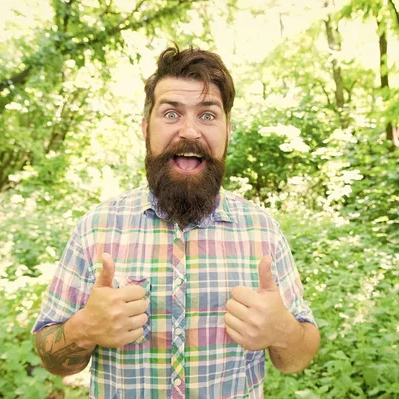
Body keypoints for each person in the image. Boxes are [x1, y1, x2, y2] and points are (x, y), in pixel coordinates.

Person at [32, 45, 320, 399]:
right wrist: (84, 328)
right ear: (145, 129)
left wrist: (284, 331)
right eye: (171, 114)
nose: (189, 131)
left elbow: (298, 357)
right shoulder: (96, 228)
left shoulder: (263, 230)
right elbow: (52, 358)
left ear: (228, 130)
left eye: (208, 115)